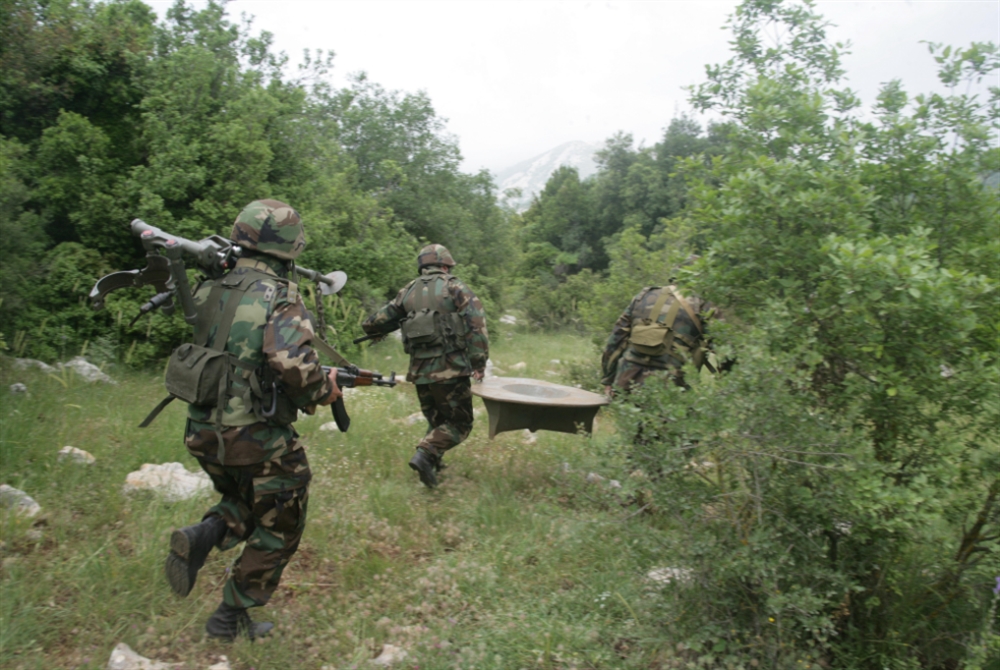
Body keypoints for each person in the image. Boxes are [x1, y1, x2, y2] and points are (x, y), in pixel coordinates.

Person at [164, 199, 341, 641]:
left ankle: (202, 536)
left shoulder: (210, 285)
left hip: (203, 431)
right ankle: (230, 616)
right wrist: (326, 390)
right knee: (283, 519)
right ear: (286, 248)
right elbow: (293, 366)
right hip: (255, 437)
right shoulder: (280, 294)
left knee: (246, 501)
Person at [361, 244, 489, 488]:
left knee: (438, 419)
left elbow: (382, 318)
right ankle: (425, 453)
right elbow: (476, 324)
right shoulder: (455, 287)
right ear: (445, 265)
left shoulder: (407, 291)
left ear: (423, 266)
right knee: (460, 423)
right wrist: (478, 362)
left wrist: (372, 330)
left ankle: (433, 465)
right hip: (451, 370)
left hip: (420, 373)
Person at [601, 283, 716, 395]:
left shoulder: (643, 296)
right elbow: (724, 349)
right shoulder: (704, 306)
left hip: (626, 380)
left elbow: (616, 339)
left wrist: (609, 380)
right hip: (671, 389)